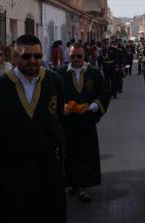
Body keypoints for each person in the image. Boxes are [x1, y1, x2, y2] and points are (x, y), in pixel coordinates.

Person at [0, 34, 65, 223]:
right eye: (26, 56)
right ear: (15, 57)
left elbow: (58, 115)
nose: (33, 61)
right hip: (11, 167)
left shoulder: (54, 81)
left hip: (45, 164)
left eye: (37, 56)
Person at [56, 43, 110, 202]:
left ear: (84, 56)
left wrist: (94, 106)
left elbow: (104, 92)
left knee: (85, 154)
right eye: (73, 56)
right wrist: (63, 107)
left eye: (79, 56)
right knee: (69, 154)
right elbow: (54, 96)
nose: (76, 59)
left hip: (86, 122)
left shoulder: (93, 72)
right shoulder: (60, 74)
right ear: (69, 56)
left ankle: (83, 186)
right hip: (68, 123)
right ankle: (73, 182)